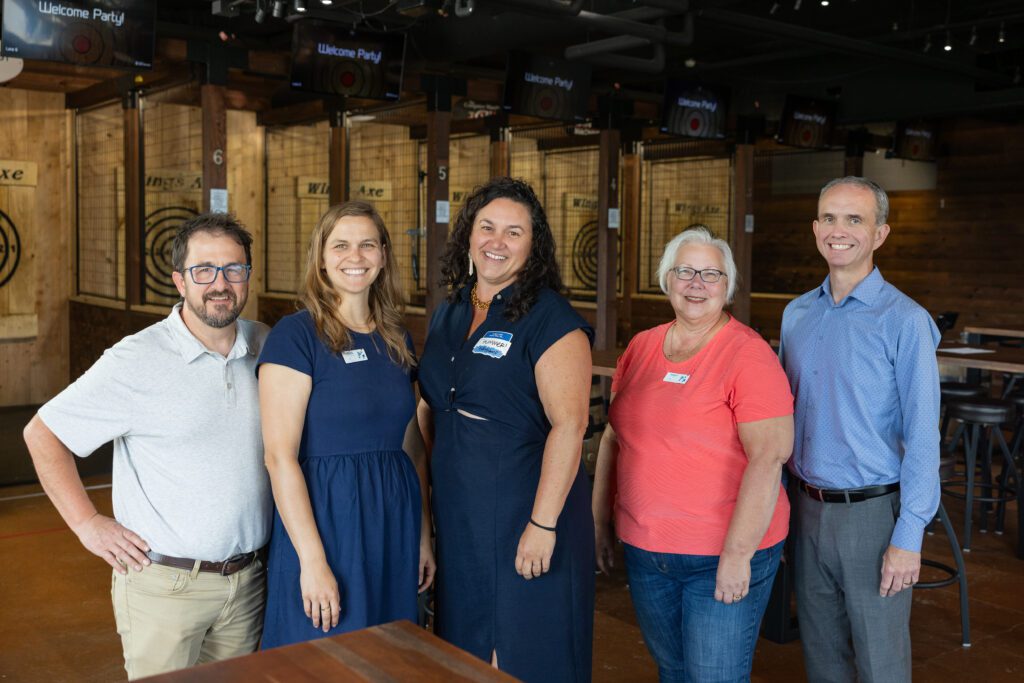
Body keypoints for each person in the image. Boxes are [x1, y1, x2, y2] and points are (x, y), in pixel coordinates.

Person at [22, 213, 271, 680]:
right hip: (165, 588)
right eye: (204, 270)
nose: (220, 283)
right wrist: (87, 523)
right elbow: (43, 433)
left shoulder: (266, 345)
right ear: (180, 281)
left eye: (233, 269)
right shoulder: (136, 359)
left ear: (248, 277)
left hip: (249, 582)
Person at [592, 227, 794, 683]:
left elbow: (769, 458)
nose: (697, 283)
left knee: (713, 678)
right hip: (647, 551)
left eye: (711, 274)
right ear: (667, 280)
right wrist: (599, 520)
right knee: (674, 670)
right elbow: (613, 437)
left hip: (720, 553)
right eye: (685, 271)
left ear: (728, 287)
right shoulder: (642, 347)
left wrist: (738, 555)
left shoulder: (749, 355)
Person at [417, 177, 594, 682]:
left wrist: (542, 526)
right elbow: (431, 408)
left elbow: (570, 424)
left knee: (518, 654)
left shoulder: (550, 318)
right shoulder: (451, 309)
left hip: (524, 510)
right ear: (469, 235)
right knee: (465, 653)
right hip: (460, 515)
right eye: (487, 227)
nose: (497, 241)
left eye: (513, 232)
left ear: (533, 245)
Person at [779, 176, 941, 682]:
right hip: (805, 509)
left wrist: (909, 535)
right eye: (829, 217)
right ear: (814, 228)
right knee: (822, 659)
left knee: (881, 666)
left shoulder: (905, 320)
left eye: (855, 219)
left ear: (880, 234)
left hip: (873, 516)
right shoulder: (795, 314)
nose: (838, 230)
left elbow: (923, 436)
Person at [258, 201, 435, 649]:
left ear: (382, 256)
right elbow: (279, 457)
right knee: (322, 654)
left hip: (392, 519)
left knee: (387, 651)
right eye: (340, 245)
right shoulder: (295, 336)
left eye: (366, 245)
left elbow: (411, 442)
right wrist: (313, 561)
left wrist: (422, 534)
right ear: (321, 257)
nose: (354, 257)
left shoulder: (397, 337)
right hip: (327, 520)